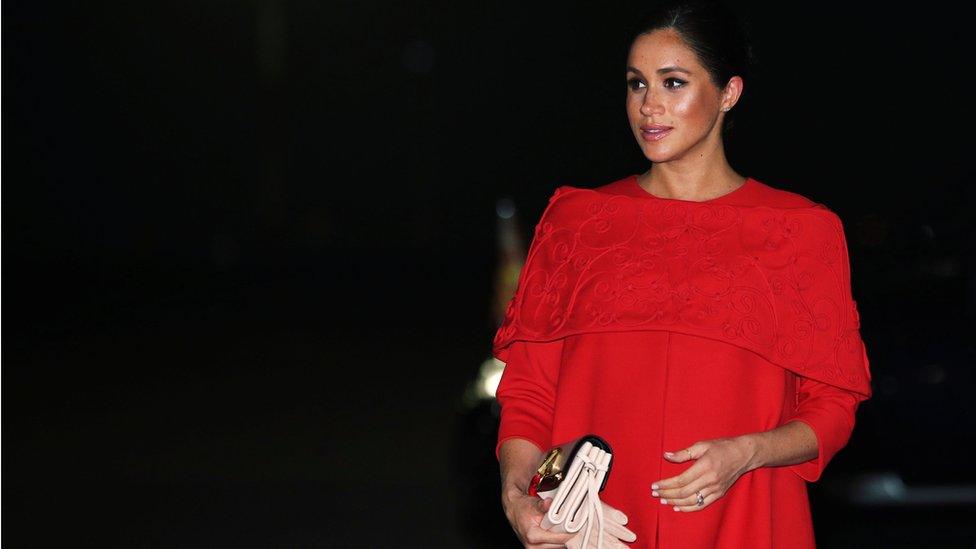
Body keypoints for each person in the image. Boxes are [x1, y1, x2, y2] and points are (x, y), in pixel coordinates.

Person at [493, 1, 873, 548]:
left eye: (673, 83)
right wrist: (520, 497)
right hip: (594, 527)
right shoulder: (578, 222)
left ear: (728, 93)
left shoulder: (799, 231)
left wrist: (746, 452)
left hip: (742, 518)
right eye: (636, 83)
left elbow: (833, 406)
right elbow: (531, 393)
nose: (648, 106)